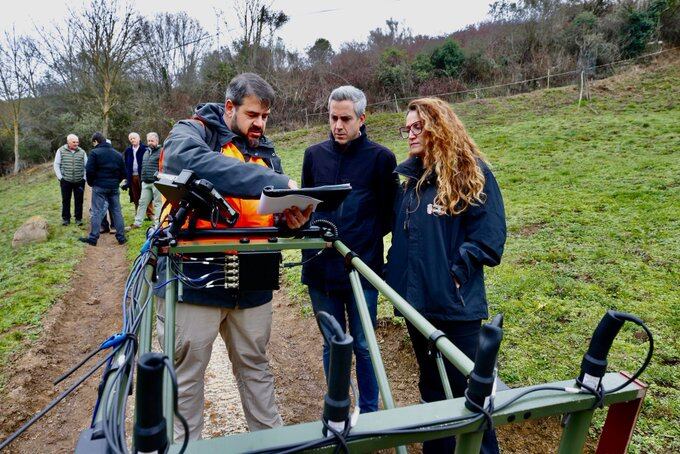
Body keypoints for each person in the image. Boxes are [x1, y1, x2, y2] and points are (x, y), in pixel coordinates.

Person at [154, 72, 311, 440]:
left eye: (265, 117)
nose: (260, 124)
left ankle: (271, 445)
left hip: (253, 280)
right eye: (253, 115)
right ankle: (183, 448)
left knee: (256, 368)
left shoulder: (265, 150)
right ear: (230, 107)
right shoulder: (192, 132)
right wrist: (267, 183)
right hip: (193, 278)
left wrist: (293, 219)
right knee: (186, 375)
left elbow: (268, 212)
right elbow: (184, 160)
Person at [385, 97, 506, 453]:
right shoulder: (410, 182)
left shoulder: (471, 172)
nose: (409, 134)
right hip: (416, 306)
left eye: (417, 127)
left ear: (439, 127)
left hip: (456, 307)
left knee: (470, 395)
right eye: (406, 128)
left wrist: (455, 275)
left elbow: (489, 237)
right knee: (433, 393)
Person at [301, 86, 398, 413]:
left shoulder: (382, 159)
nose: (338, 125)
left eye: (345, 119)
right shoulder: (314, 156)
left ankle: (369, 413)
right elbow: (306, 209)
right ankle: (340, 407)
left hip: (362, 267)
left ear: (362, 118)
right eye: (333, 118)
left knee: (364, 344)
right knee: (332, 345)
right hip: (320, 269)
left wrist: (362, 238)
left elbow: (389, 214)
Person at [79, 132, 127, 246]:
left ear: (96, 141)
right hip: (114, 187)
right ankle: (121, 238)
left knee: (96, 211)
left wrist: (91, 183)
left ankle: (93, 238)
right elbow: (123, 172)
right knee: (117, 211)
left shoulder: (94, 153)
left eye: (93, 143)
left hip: (99, 187)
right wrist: (116, 182)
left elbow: (89, 171)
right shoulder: (117, 154)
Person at [53, 134, 87, 226]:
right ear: (68, 142)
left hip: (79, 181)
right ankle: (66, 219)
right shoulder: (60, 151)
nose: (76, 144)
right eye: (74, 142)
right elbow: (56, 164)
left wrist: (84, 178)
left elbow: (86, 166)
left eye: (77, 142)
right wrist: (60, 178)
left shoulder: (82, 152)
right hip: (66, 181)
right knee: (66, 200)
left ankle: (78, 219)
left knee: (79, 200)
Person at [130, 132, 163, 228]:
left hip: (156, 182)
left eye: (152, 141)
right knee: (142, 203)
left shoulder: (161, 152)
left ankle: (158, 224)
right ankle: (137, 223)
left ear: (157, 141)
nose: (150, 142)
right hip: (145, 182)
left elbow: (163, 167)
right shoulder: (146, 152)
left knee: (157, 204)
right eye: (148, 140)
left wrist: (159, 177)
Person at [123, 132, 149, 217]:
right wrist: (127, 177)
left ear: (139, 138)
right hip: (132, 176)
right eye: (130, 139)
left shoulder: (145, 149)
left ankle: (150, 214)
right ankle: (138, 214)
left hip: (143, 176)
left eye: (134, 138)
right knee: (135, 196)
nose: (132, 140)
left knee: (146, 195)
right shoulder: (128, 150)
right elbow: (126, 164)